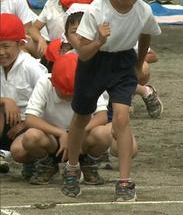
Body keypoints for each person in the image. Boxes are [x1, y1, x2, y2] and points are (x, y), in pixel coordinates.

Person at [61, 0, 162, 202]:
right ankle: (72, 167)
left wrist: (138, 65)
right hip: (94, 62)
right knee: (81, 117)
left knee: (121, 117)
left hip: (123, 62)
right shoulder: (97, 9)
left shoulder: (143, 10)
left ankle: (125, 181)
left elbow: (146, 32)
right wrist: (98, 40)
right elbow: (82, 54)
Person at [10, 54, 111, 185]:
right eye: (63, 93)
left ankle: (88, 164)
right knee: (28, 139)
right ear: (52, 82)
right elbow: (30, 119)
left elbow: (102, 116)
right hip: (52, 139)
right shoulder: (44, 81)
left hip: (81, 139)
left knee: (105, 133)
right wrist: (61, 133)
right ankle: (47, 164)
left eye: (72, 94)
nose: (68, 98)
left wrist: (76, 133)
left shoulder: (89, 82)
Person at [0, 14, 48, 176]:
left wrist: (26, 124)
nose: (1, 52)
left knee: (19, 152)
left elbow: (50, 101)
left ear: (20, 44)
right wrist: (5, 100)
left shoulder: (31, 67)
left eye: (6, 46)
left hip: (33, 124)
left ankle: (39, 160)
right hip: (7, 122)